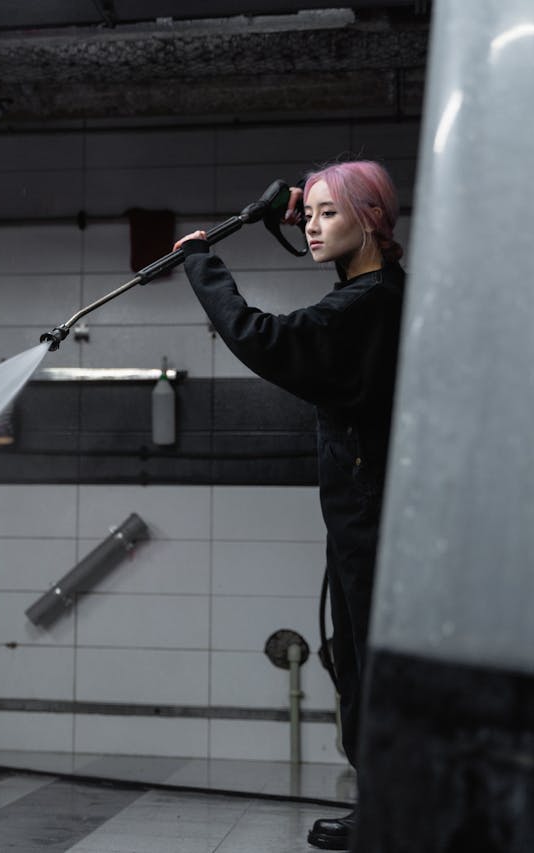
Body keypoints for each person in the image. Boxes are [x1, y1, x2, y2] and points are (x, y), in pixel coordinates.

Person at [175, 161, 405, 851]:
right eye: (308, 213)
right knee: (359, 660)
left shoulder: (362, 307)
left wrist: (200, 264)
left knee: (372, 664)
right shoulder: (383, 294)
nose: (311, 224)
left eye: (329, 214)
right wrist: (302, 207)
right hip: (368, 516)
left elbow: (263, 337)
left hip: (372, 516)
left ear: (369, 220)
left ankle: (390, 815)